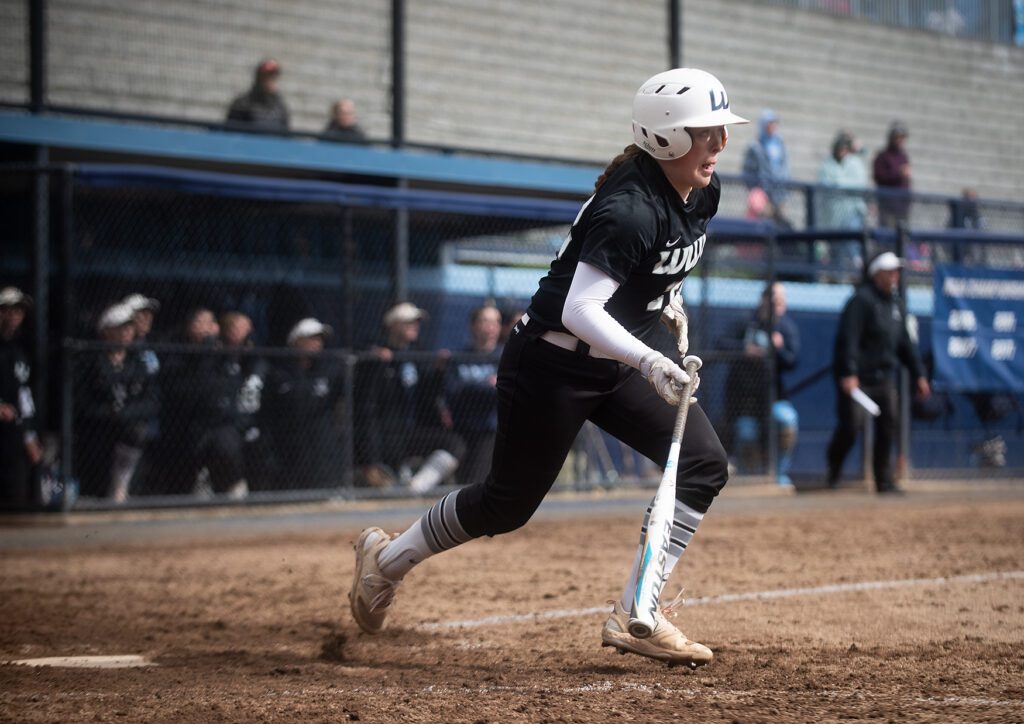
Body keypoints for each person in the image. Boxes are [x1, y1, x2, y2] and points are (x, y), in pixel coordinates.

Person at [347, 68, 747, 668]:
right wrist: (647, 357)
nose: (720, 142)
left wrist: (666, 304)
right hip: (554, 364)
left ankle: (638, 610)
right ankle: (385, 562)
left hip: (615, 361)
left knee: (704, 463)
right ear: (665, 137)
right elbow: (578, 308)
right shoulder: (630, 209)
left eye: (721, 129)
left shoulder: (700, 191)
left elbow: (656, 269)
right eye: (706, 131)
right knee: (506, 504)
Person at [826, 251, 931, 494]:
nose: (895, 276)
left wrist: (919, 374)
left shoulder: (896, 304)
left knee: (888, 427)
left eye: (897, 272)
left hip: (883, 378)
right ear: (877, 274)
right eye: (890, 271)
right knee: (851, 426)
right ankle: (834, 469)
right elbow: (848, 340)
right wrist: (849, 373)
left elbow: (906, 344)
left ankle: (883, 480)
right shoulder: (860, 301)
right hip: (858, 380)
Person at [353, 302, 466, 493]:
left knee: (454, 444)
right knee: (384, 481)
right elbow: (365, 403)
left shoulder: (417, 353)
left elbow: (428, 394)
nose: (415, 326)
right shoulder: (376, 354)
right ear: (393, 325)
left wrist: (438, 372)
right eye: (408, 322)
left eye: (417, 322)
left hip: (411, 431)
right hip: (385, 434)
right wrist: (370, 457)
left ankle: (415, 488)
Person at [159, 307, 249, 499]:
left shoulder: (223, 352)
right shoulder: (176, 351)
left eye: (209, 323)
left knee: (226, 443)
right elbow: (181, 388)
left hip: (218, 419)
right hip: (186, 421)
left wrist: (211, 349)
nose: (205, 328)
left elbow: (228, 384)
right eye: (199, 323)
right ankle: (198, 482)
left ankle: (234, 482)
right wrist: (203, 354)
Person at [74, 302, 159, 502]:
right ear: (105, 331)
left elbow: (153, 400)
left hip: (128, 427)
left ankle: (121, 486)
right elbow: (81, 402)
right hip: (98, 429)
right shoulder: (91, 361)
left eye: (129, 327)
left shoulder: (137, 361)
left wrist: (125, 413)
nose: (125, 332)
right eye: (120, 328)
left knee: (136, 431)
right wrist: (109, 413)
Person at [723, 282, 800, 486]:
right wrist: (745, 350)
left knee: (787, 419)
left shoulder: (785, 327)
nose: (779, 304)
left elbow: (793, 361)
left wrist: (778, 348)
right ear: (765, 300)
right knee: (746, 433)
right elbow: (721, 343)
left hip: (773, 397)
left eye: (782, 301)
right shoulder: (746, 321)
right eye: (776, 300)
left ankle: (779, 475)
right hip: (745, 399)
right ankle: (752, 478)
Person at [266, 318, 344, 489]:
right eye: (311, 338)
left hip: (320, 445)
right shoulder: (279, 373)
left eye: (319, 339)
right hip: (289, 443)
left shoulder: (330, 370)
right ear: (296, 342)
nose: (317, 343)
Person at [445, 303, 503, 486]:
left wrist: (473, 388)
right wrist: (488, 386)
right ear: (473, 325)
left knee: (475, 483)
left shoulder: (506, 356)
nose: (491, 327)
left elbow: (506, 391)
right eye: (485, 321)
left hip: (491, 429)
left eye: (495, 322)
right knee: (460, 483)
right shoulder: (460, 356)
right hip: (462, 427)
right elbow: (453, 391)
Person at [220, 311, 276, 491]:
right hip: (228, 422)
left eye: (248, 327)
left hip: (256, 422)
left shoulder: (258, 361)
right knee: (225, 442)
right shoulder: (219, 359)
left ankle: (261, 492)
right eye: (238, 327)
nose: (246, 332)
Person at [0, 287, 42, 508]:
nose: (14, 315)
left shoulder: (19, 350)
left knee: (17, 497)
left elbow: (24, 395)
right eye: (7, 310)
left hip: (14, 434)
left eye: (19, 310)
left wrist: (29, 436)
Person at [742, 109, 791, 228]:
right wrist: (757, 188)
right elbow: (748, 171)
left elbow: (785, 167)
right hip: (763, 194)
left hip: (779, 193)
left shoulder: (780, 144)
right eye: (769, 123)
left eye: (774, 123)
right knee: (763, 224)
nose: (772, 126)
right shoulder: (755, 146)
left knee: (781, 225)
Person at [225, 58, 290, 133]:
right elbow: (230, 133)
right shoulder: (242, 104)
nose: (271, 80)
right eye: (267, 76)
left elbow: (285, 135)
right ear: (259, 78)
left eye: (274, 77)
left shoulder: (280, 107)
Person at [872, 121, 912, 228]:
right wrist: (898, 174)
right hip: (887, 206)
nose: (901, 140)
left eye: (903, 137)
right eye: (898, 137)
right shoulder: (882, 156)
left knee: (902, 237)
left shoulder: (903, 156)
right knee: (887, 238)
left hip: (902, 207)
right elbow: (879, 176)